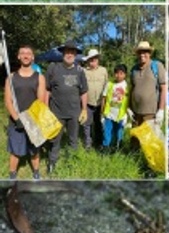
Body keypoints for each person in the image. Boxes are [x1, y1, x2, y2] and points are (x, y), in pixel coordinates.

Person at [44, 42, 88, 174]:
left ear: (75, 55)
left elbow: (84, 91)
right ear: (63, 53)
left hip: (74, 112)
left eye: (72, 52)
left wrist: (84, 109)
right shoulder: (53, 68)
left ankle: (71, 163)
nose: (69, 54)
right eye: (67, 51)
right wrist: (46, 108)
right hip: (56, 112)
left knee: (73, 139)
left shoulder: (80, 71)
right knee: (55, 140)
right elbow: (47, 90)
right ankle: (52, 163)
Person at [5, 44, 46, 180]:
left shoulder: (39, 77)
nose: (26, 55)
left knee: (34, 149)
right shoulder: (11, 78)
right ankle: (12, 175)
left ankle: (36, 172)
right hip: (16, 121)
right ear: (18, 56)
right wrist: (17, 118)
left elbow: (40, 101)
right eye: (22, 53)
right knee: (15, 150)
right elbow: (8, 101)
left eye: (28, 53)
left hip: (33, 119)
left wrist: (29, 119)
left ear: (32, 57)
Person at [129, 40, 166, 128]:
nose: (142, 55)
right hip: (135, 113)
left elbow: (163, 88)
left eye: (145, 52)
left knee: (148, 140)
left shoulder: (157, 66)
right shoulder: (134, 69)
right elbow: (131, 89)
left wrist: (161, 110)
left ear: (149, 53)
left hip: (150, 113)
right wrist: (129, 108)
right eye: (140, 52)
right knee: (135, 139)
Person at [81, 47, 108, 151]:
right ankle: (88, 144)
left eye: (95, 59)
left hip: (100, 102)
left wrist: (105, 102)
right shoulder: (84, 71)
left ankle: (99, 142)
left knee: (99, 123)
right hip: (88, 102)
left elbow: (106, 85)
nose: (93, 61)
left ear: (98, 59)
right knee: (86, 124)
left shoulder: (103, 70)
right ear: (88, 60)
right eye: (91, 59)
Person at [102, 64, 129, 149]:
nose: (118, 75)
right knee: (107, 132)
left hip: (120, 115)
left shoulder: (127, 86)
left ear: (125, 75)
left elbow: (129, 100)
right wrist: (102, 114)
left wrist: (127, 115)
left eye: (121, 73)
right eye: (116, 73)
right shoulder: (109, 84)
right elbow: (104, 98)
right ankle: (106, 148)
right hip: (109, 114)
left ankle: (118, 147)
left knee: (118, 132)